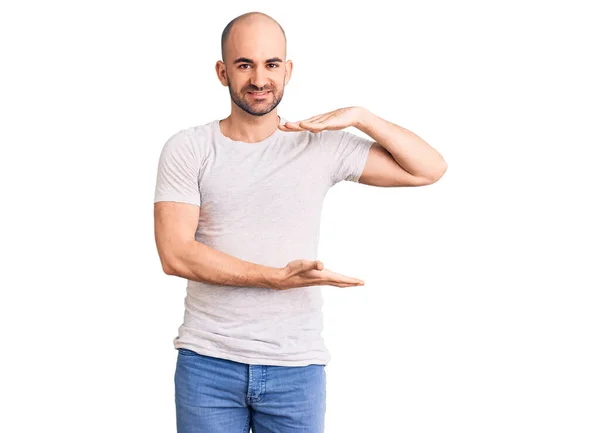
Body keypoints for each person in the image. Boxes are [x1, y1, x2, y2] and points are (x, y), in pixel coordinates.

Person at [153, 11, 447, 433]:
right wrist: (272, 278)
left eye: (271, 64)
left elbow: (429, 169)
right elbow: (175, 253)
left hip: (296, 366)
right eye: (244, 64)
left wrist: (363, 117)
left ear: (288, 70)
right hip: (208, 364)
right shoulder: (189, 148)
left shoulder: (319, 144)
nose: (259, 78)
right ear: (222, 72)